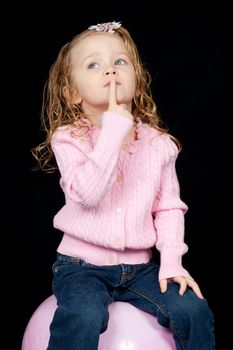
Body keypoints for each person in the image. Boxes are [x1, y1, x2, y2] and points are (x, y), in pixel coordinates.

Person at [32, 21, 215, 350]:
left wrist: (172, 262)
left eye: (120, 61)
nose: (110, 71)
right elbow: (86, 195)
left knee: (193, 310)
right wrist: (113, 130)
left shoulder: (158, 144)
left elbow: (169, 207)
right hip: (80, 266)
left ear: (136, 77)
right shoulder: (69, 139)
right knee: (84, 314)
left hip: (141, 268)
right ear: (71, 92)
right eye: (94, 64)